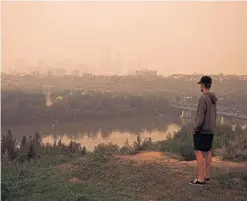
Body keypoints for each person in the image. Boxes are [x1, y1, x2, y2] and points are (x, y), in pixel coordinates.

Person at [189, 76, 218, 186]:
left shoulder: (203, 98)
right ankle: (206, 176)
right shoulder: (213, 98)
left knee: (198, 152)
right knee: (207, 151)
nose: (200, 86)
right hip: (210, 130)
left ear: (202, 85)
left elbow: (200, 117)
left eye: (200, 84)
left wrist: (196, 129)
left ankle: (200, 179)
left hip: (202, 130)